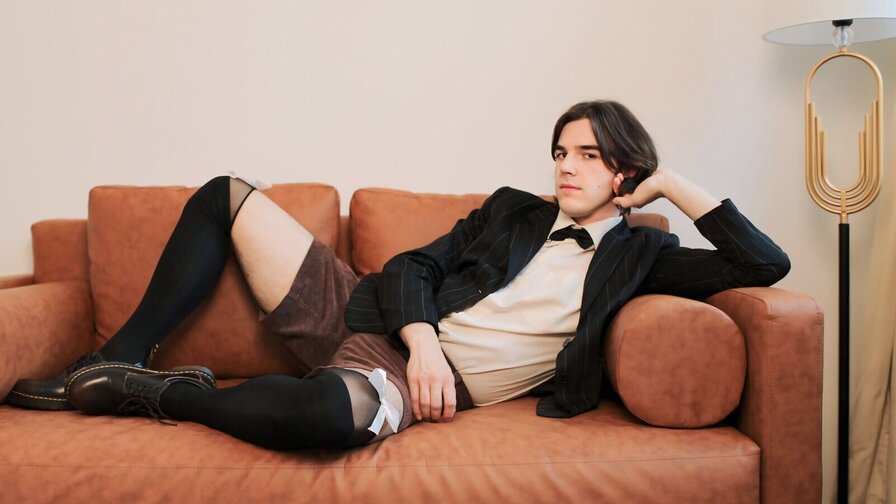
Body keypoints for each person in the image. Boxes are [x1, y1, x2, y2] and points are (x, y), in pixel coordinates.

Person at [6, 100, 790, 449]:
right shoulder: (513, 210)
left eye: (588, 154)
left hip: (401, 380)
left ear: (627, 170)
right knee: (224, 195)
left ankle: (159, 394)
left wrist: (673, 186)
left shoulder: (643, 256)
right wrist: (422, 343)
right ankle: (113, 359)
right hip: (369, 313)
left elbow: (762, 264)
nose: (565, 166)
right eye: (561, 151)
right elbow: (415, 264)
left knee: (330, 420)